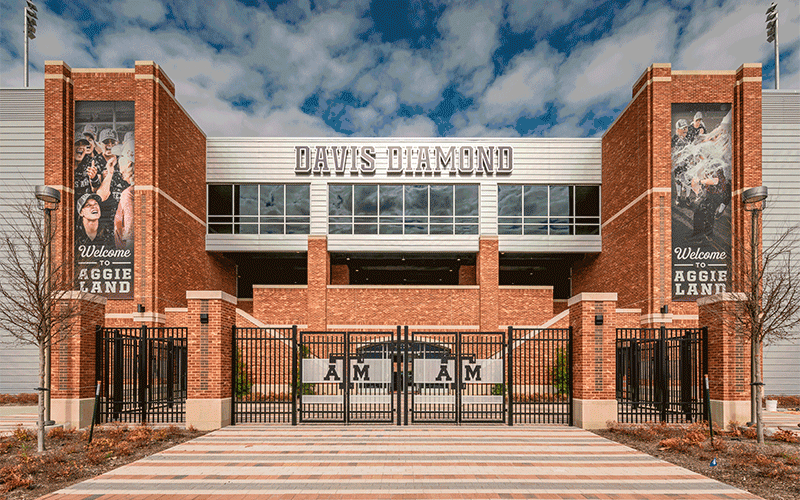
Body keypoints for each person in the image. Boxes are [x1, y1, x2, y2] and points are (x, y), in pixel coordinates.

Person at [95, 128, 131, 228]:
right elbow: (95, 191)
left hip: (122, 210)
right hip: (104, 213)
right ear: (100, 144)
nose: (109, 145)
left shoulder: (124, 161)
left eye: (113, 142)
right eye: (106, 142)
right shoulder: (96, 162)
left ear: (117, 144)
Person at [114, 143, 135, 250]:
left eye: (121, 159)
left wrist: (127, 257)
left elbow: (131, 233)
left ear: (128, 163)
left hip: (126, 251)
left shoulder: (128, 194)